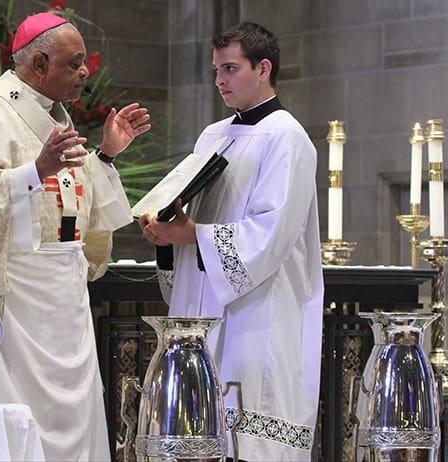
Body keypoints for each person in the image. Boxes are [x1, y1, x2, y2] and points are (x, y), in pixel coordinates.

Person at [0, 12, 151, 461]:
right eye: (74, 63)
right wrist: (34, 171)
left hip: (64, 300)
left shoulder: (52, 118)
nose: (85, 73)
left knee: (75, 415)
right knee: (13, 419)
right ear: (38, 65)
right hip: (13, 299)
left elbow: (71, 204)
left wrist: (106, 155)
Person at [139, 22, 323, 461]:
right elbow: (193, 216)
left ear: (263, 68)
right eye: (216, 69)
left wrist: (192, 235)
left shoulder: (288, 138)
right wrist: (167, 233)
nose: (219, 79)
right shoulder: (213, 136)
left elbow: (271, 233)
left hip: (256, 315)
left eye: (230, 68)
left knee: (247, 438)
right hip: (202, 303)